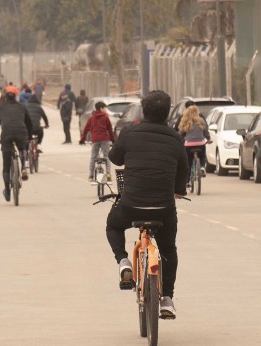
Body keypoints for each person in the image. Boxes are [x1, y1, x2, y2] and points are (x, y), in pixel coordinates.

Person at [105, 90, 188, 319]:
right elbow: (184, 172)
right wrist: (179, 190)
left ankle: (123, 262)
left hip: (131, 205)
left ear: (143, 110)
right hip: (163, 208)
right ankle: (167, 298)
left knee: (113, 226)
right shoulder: (175, 138)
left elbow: (114, 157)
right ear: (168, 112)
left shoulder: (130, 133)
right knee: (168, 249)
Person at [0, 87, 34, 201]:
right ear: (16, 96)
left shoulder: (1, 107)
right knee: (23, 146)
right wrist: (29, 137)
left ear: (5, 97)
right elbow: (29, 123)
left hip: (6, 135)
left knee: (6, 165)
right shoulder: (22, 106)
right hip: (21, 133)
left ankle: (7, 191)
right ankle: (24, 166)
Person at [83, 101, 115, 182]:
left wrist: (82, 139)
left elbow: (86, 129)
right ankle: (108, 174)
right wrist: (113, 140)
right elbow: (110, 130)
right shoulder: (105, 117)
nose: (106, 109)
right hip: (105, 139)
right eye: (105, 108)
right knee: (107, 157)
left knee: (93, 158)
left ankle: (90, 176)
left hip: (95, 139)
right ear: (101, 108)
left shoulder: (91, 118)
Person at [178, 105, 210, 175]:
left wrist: (179, 141)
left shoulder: (185, 121)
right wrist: (208, 138)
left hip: (188, 145)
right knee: (202, 156)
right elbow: (205, 131)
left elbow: (180, 133)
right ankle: (202, 167)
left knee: (188, 162)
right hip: (200, 144)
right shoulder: (201, 120)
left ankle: (188, 181)